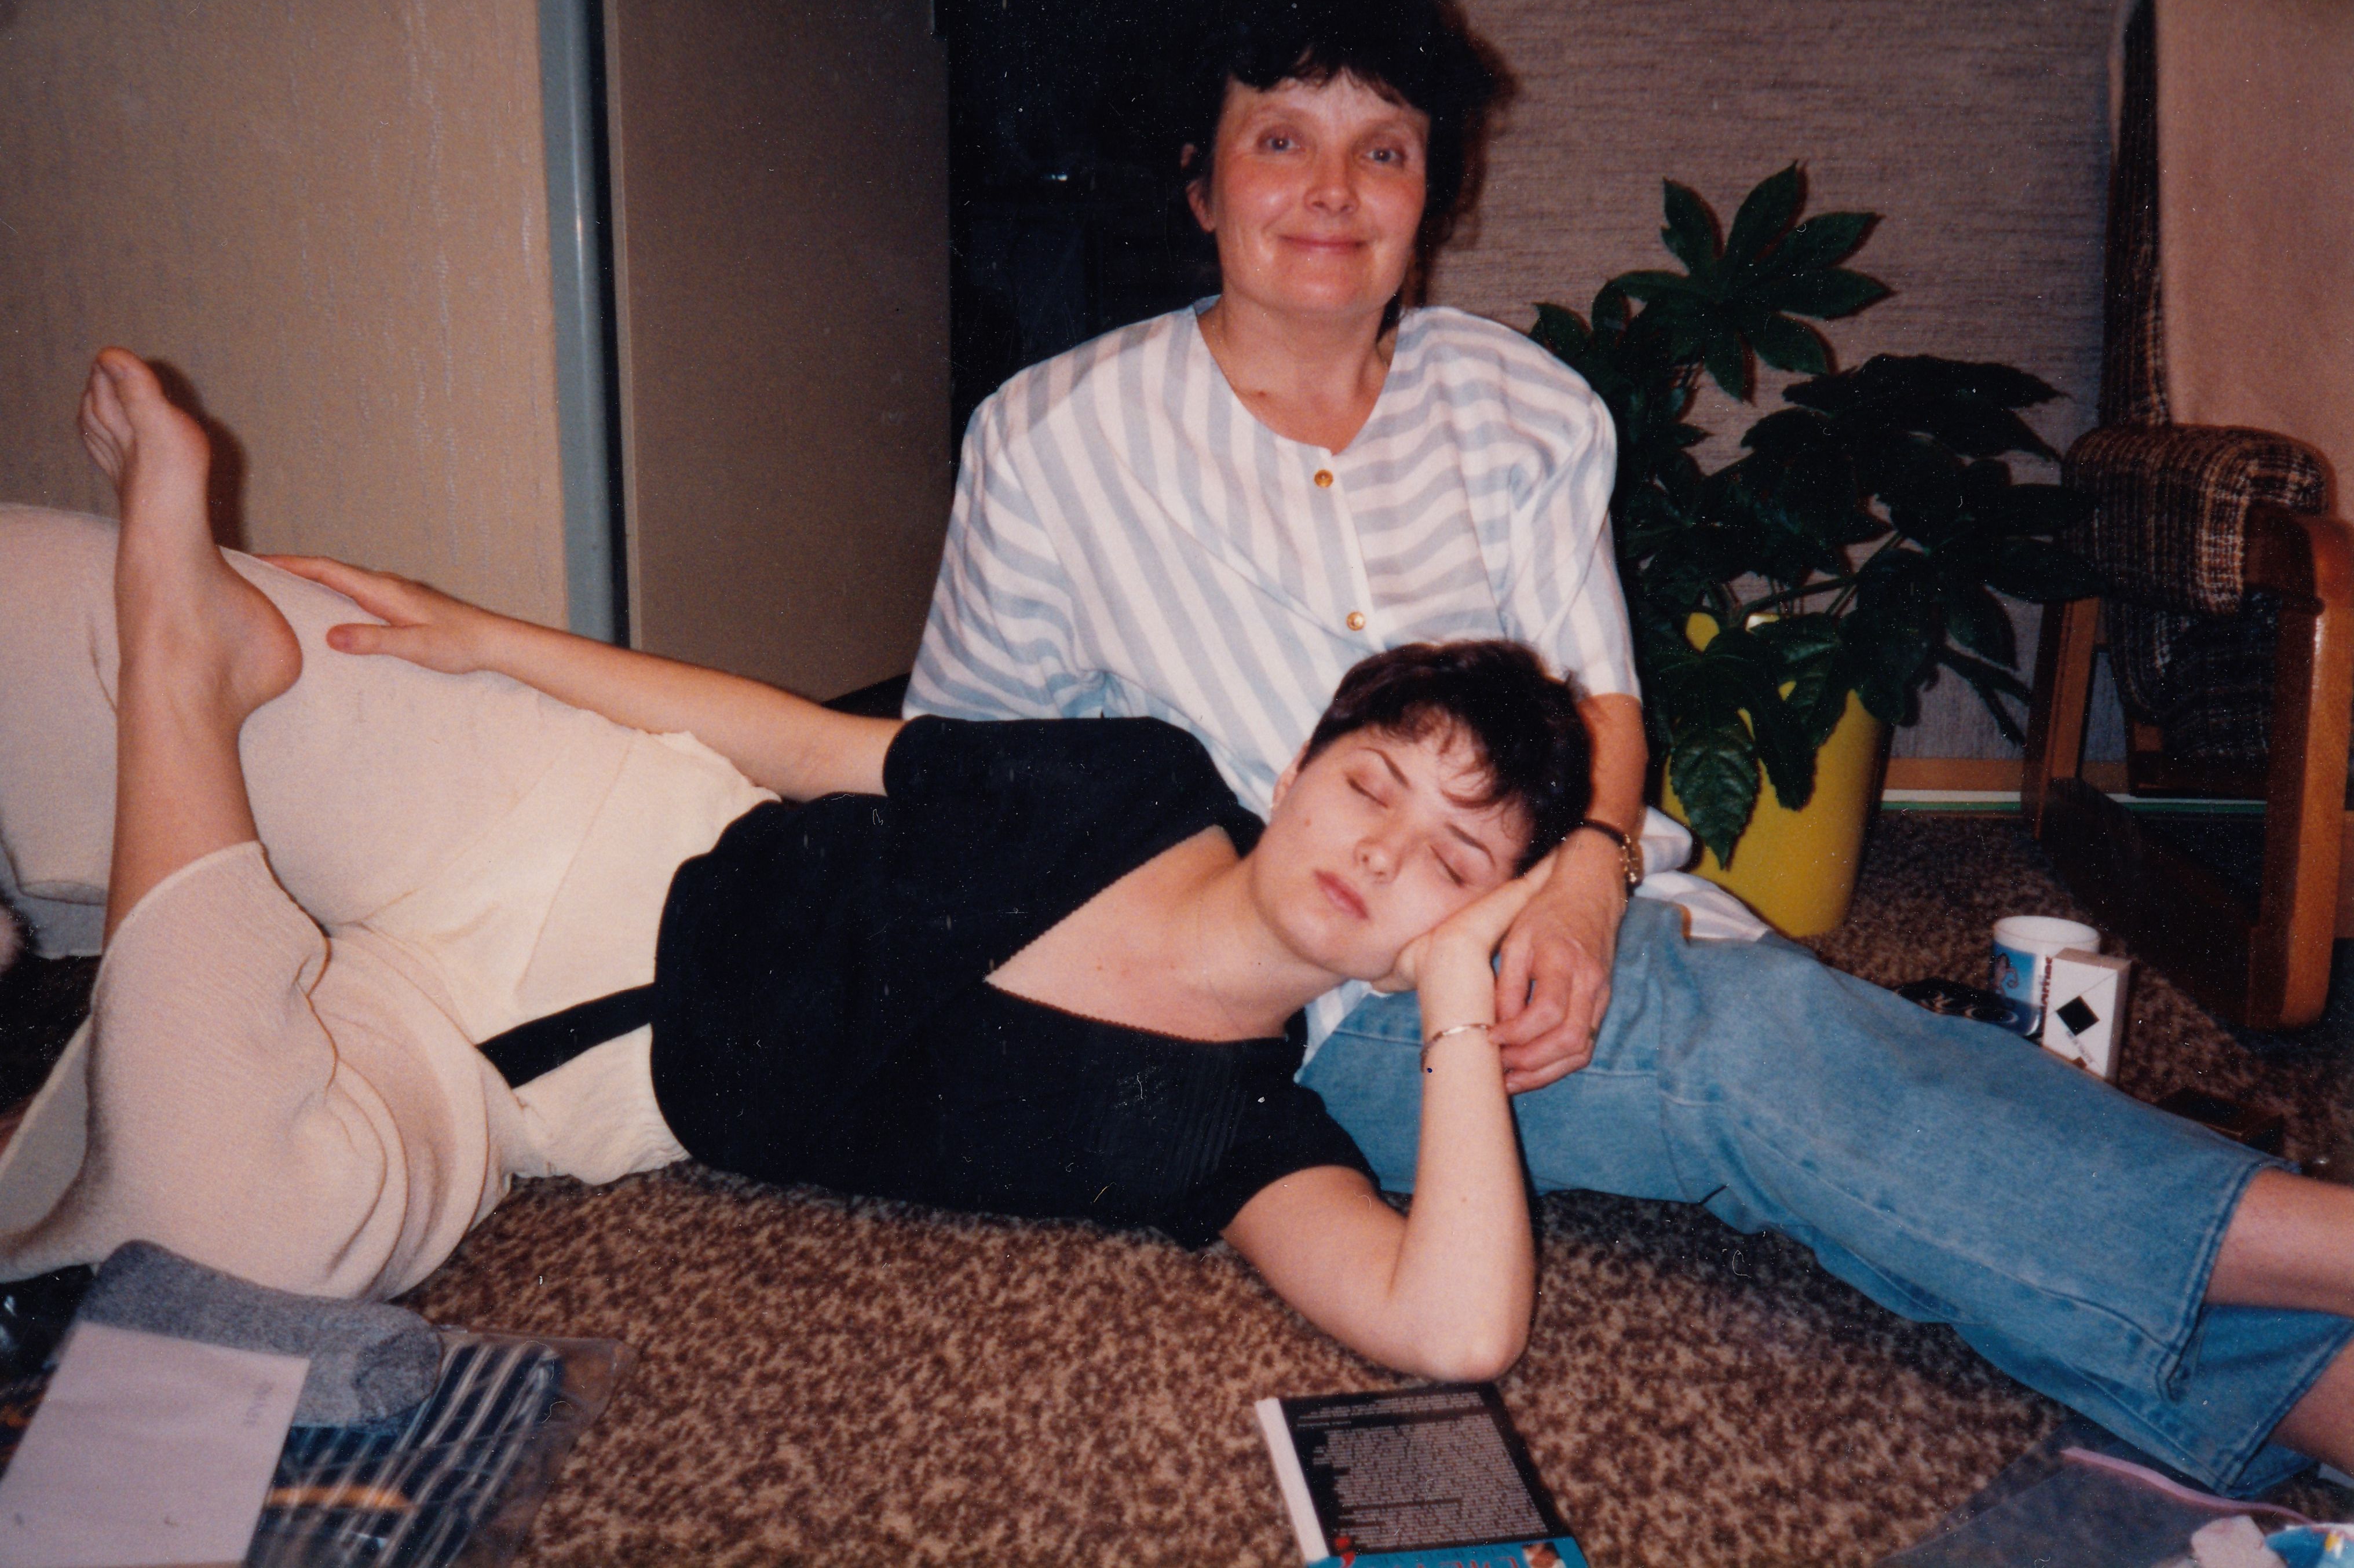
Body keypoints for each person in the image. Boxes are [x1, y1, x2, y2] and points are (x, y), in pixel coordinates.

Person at [904, 0, 2354, 1492]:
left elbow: (1601, 699)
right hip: (1320, 993)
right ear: (1201, 183)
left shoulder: (1516, 408)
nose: (1333, 192)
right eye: (1281, 142)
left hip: (1578, 899)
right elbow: (959, 776)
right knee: (1750, 1057)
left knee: (1824, 1126)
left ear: (1430, 194)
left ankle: (2324, 1394)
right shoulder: (1053, 443)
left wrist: (1589, 889)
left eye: (1383, 151)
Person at [0, 350, 1612, 1381]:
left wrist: (1461, 1005)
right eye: (1372, 783)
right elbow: (802, 744)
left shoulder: (1244, 1135)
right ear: (1301, 766)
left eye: (1450, 858)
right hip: (558, 811)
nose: (1382, 846)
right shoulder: (1145, 780)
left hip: (529, 1088)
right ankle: (174, 675)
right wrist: (486, 637)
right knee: (50, 619)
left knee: (224, 1244)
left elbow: (1455, 1329)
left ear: (1470, 918)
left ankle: (178, 695)